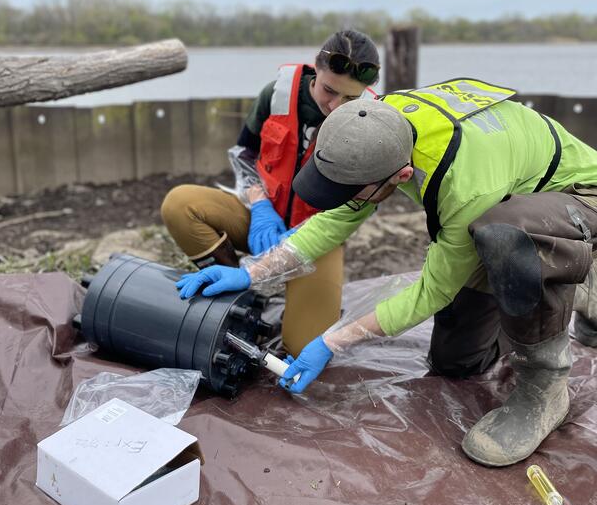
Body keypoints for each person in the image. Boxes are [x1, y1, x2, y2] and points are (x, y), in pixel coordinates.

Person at [177, 78, 597, 468]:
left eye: (356, 190)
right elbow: (338, 217)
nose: (345, 199)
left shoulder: (467, 187)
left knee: (506, 237)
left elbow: (431, 291)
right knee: (456, 362)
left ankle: (544, 386)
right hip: (510, 193)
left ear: (401, 176)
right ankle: (561, 289)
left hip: (576, 197)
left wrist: (332, 340)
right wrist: (252, 274)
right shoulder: (379, 124)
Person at [163, 29, 380, 356]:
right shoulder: (276, 95)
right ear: (316, 69)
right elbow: (243, 154)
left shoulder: (373, 122)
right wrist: (260, 207)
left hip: (315, 239)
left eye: (349, 98)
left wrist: (307, 236)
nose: (335, 106)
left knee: (302, 347)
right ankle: (239, 295)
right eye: (329, 91)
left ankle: (292, 293)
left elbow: (359, 203)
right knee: (180, 204)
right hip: (261, 221)